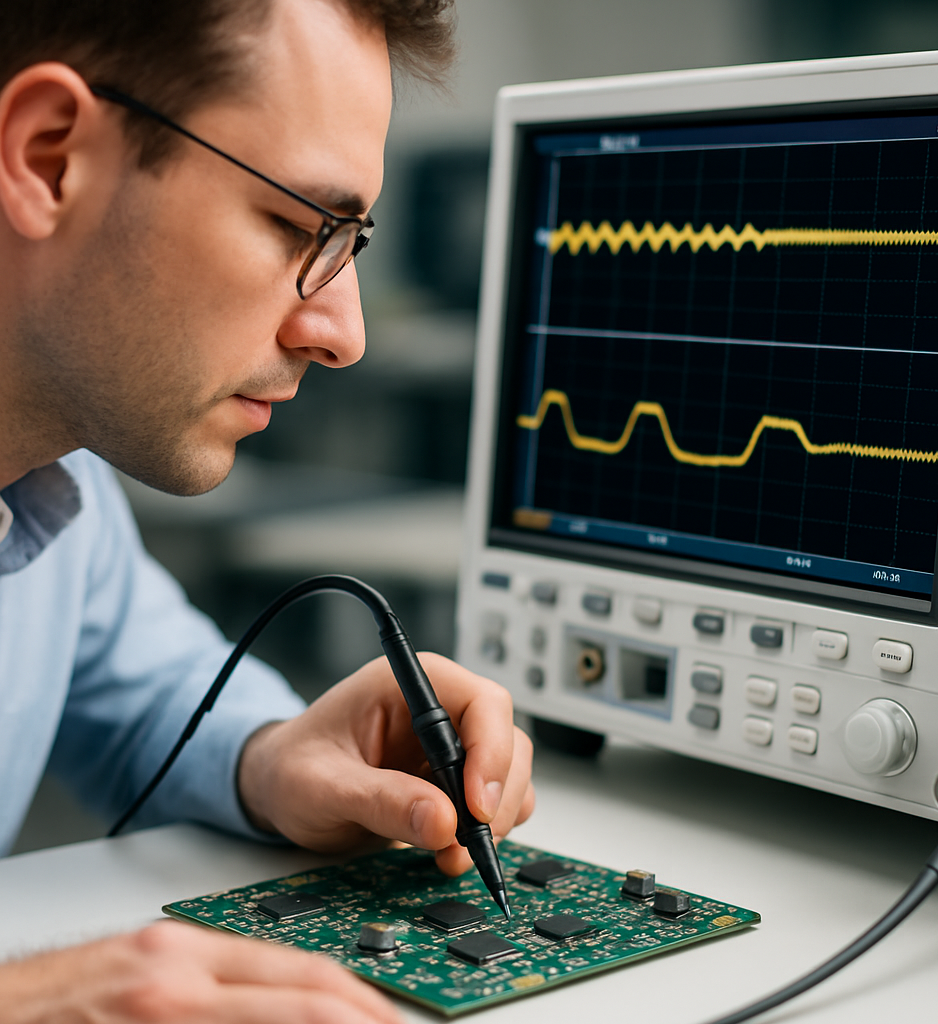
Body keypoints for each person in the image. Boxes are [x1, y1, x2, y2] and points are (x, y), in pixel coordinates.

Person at [0, 0, 535, 1020]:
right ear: (49, 157)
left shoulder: (56, 475)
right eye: (300, 223)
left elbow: (145, 699)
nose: (345, 333)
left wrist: (275, 760)